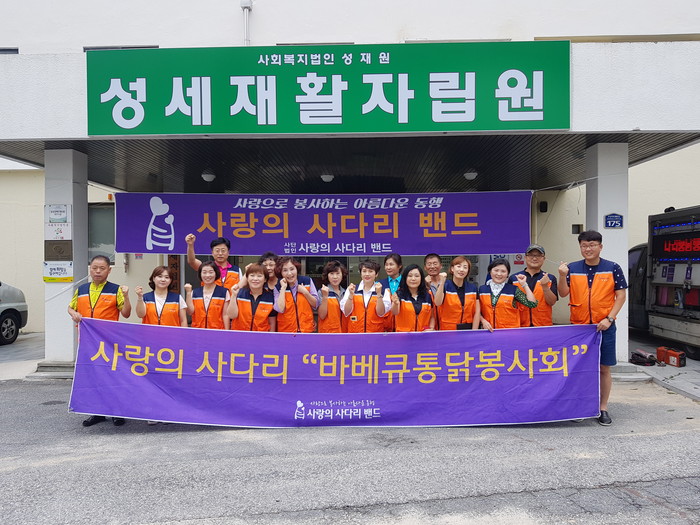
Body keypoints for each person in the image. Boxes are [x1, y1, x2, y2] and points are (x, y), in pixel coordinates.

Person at [558, 230, 627, 427]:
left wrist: (609, 318)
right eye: (584, 246)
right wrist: (562, 276)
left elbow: (621, 296)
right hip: (579, 328)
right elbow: (563, 293)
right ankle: (581, 406)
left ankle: (602, 408)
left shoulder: (612, 267)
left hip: (604, 326)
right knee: (579, 368)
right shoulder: (572, 268)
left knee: (604, 368)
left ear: (600, 247)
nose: (588, 249)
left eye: (592, 245)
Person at [67, 255, 132, 428]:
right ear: (90, 269)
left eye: (102, 268)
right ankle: (98, 412)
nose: (97, 271)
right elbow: (71, 307)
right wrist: (74, 313)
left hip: (109, 343)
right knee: (93, 378)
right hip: (87, 342)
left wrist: (126, 296)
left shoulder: (116, 290)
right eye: (94, 268)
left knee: (112, 377)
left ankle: (117, 412)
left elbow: (126, 313)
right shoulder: (81, 289)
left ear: (109, 270)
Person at [478, 258, 538, 331]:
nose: (499, 274)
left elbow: (532, 304)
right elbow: (476, 310)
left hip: (510, 332)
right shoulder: (482, 289)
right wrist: (483, 321)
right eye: (496, 270)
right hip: (489, 331)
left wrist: (524, 284)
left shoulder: (513, 290)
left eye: (503, 271)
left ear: (507, 274)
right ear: (490, 271)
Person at [510, 244, 558, 327]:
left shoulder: (550, 278)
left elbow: (551, 302)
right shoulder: (514, 278)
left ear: (544, 258)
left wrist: (545, 287)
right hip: (520, 326)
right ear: (525, 257)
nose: (535, 258)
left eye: (538, 255)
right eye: (531, 255)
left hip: (543, 325)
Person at [341, 259, 391, 333]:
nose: (367, 274)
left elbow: (381, 313)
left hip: (375, 333)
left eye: (370, 271)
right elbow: (346, 312)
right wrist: (351, 296)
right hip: (355, 332)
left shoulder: (383, 291)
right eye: (364, 271)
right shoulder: (352, 289)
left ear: (376, 274)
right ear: (360, 273)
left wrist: (379, 294)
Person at [434, 256, 480, 330]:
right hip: (448, 329)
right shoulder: (445, 286)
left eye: (465, 267)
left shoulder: (473, 288)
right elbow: (437, 303)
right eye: (458, 266)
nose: (462, 270)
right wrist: (442, 282)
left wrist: (474, 332)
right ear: (452, 269)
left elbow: (477, 312)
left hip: (467, 328)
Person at [274, 257, 318, 333]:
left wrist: (305, 292)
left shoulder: (307, 281)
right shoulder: (278, 287)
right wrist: (283, 288)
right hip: (286, 331)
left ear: (296, 269)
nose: (289, 273)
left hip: (306, 329)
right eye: (285, 270)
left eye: (292, 269)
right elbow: (280, 309)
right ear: (281, 272)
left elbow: (316, 305)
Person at [228, 264, 277, 332]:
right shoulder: (239, 294)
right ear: (247, 278)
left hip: (261, 335)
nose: (255, 279)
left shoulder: (270, 298)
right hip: (239, 334)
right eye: (252, 275)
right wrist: (233, 296)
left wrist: (271, 337)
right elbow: (232, 316)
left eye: (259, 276)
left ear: (265, 279)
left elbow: (272, 323)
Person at [185, 261, 230, 330]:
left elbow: (225, 315)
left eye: (211, 272)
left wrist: (227, 332)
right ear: (200, 274)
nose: (207, 275)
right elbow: (190, 312)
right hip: (198, 331)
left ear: (216, 273)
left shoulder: (224, 292)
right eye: (204, 272)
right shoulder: (195, 292)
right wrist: (188, 293)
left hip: (217, 331)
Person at [391, 264, 436, 332]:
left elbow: (432, 316)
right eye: (410, 276)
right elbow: (395, 312)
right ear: (405, 278)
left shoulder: (427, 296)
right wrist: (395, 303)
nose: (413, 279)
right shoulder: (399, 294)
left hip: (422, 335)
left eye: (417, 276)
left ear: (421, 278)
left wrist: (431, 328)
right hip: (404, 335)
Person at [317, 260, 349, 333]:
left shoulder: (346, 292)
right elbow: (322, 315)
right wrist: (325, 296)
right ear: (327, 275)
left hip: (344, 332)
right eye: (331, 273)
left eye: (338, 273)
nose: (335, 277)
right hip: (328, 333)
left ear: (342, 275)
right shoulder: (321, 292)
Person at [378, 253, 403, 332]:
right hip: (385, 327)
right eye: (386, 265)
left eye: (391, 264)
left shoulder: (407, 283)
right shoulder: (379, 284)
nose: (388, 267)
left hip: (403, 325)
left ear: (399, 266)